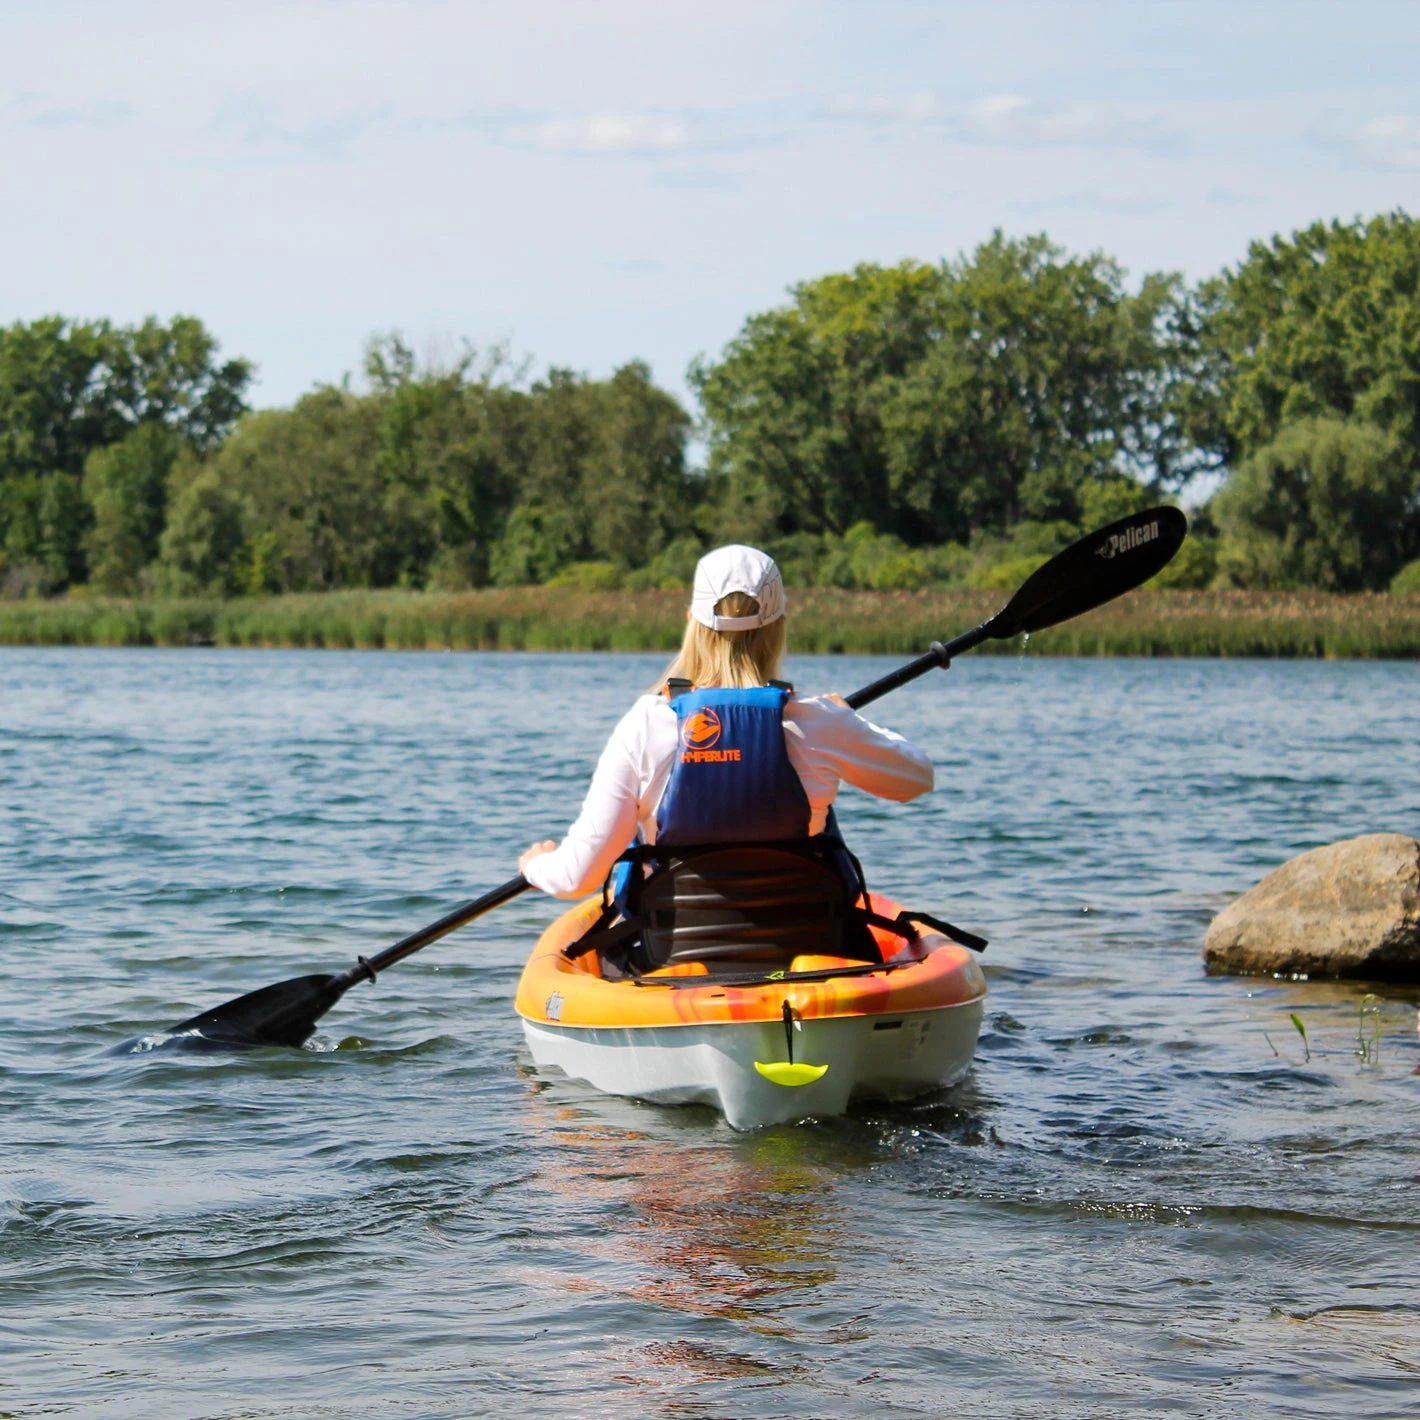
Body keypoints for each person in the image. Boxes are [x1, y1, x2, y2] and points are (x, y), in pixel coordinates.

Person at [518, 545, 934, 916]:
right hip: (802, 946)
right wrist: (846, 720)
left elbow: (576, 878)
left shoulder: (646, 724)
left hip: (677, 954)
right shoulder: (819, 721)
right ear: (778, 625)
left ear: (691, 622)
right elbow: (916, 778)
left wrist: (535, 865)